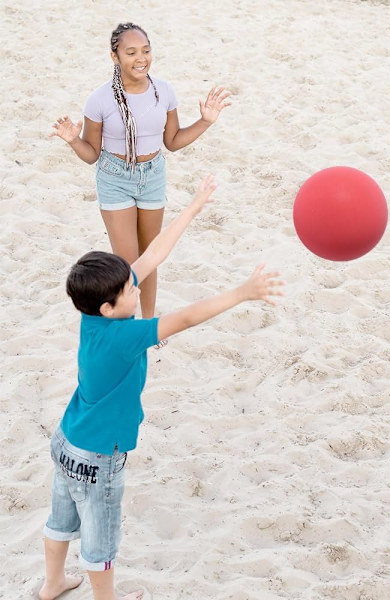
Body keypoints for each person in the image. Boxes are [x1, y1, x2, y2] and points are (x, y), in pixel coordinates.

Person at [38, 175, 284, 600]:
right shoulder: (123, 337)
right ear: (108, 306)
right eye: (129, 292)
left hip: (67, 442)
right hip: (99, 458)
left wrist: (193, 207)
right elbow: (186, 318)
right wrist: (242, 292)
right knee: (100, 545)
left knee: (60, 521)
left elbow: (152, 255)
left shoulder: (95, 317)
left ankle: (52, 583)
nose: (137, 291)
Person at [50, 22, 231, 320]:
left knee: (151, 257)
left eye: (146, 51)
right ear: (115, 57)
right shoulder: (99, 99)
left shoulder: (165, 91)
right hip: (114, 176)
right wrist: (72, 140)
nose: (141, 58)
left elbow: (172, 142)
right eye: (131, 52)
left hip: (153, 174)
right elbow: (91, 154)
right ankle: (128, 324)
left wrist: (206, 121)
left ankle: (148, 323)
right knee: (128, 262)